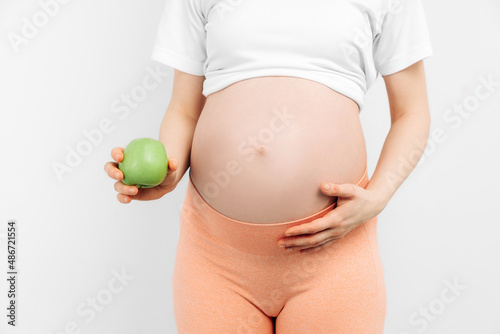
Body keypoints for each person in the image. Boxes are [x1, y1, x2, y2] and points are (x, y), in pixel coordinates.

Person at [104, 0, 433, 332]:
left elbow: (412, 113)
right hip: (216, 254)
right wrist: (168, 171)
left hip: (334, 250)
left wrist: (379, 196)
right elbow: (184, 109)